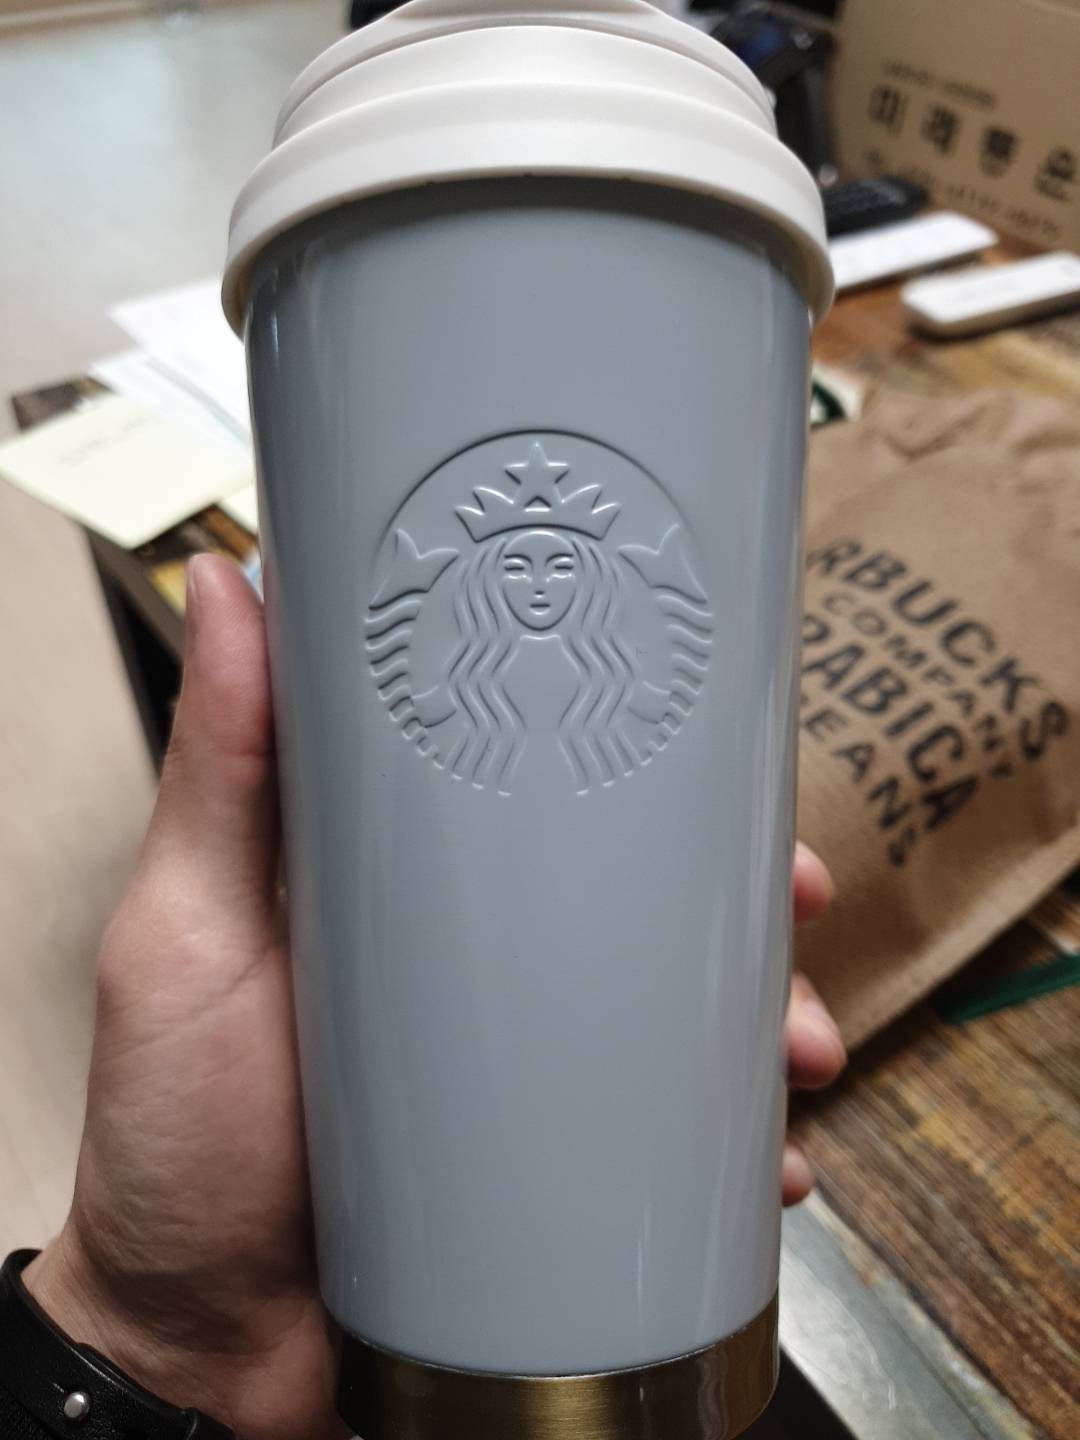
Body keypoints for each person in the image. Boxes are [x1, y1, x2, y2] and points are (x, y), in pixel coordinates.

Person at [1, 556, 845, 1440]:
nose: (538, 587)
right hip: (374, 1335)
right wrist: (137, 1328)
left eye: (562, 565)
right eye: (515, 567)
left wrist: (128, 1338)